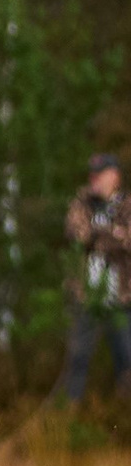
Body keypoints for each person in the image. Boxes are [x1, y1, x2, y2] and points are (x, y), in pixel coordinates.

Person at [62, 154, 131, 401]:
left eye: (99, 173)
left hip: (121, 298)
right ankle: (67, 418)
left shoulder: (127, 205)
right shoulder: (81, 204)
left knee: (126, 360)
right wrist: (113, 234)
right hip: (87, 297)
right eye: (92, 173)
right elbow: (75, 233)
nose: (94, 179)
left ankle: (123, 421)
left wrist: (97, 235)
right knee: (78, 359)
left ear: (114, 176)